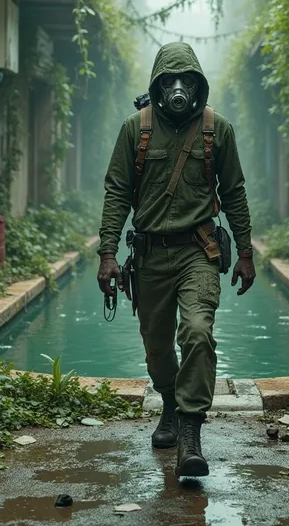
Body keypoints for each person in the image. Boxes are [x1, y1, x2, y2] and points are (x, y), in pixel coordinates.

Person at [97, 42, 255, 478]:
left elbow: (234, 192)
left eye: (187, 80)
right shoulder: (136, 129)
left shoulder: (216, 130)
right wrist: (108, 252)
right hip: (149, 255)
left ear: (199, 85)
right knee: (157, 348)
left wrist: (245, 252)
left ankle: (190, 432)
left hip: (198, 252)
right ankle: (168, 402)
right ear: (158, 84)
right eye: (170, 80)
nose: (178, 88)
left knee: (199, 332)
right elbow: (117, 192)